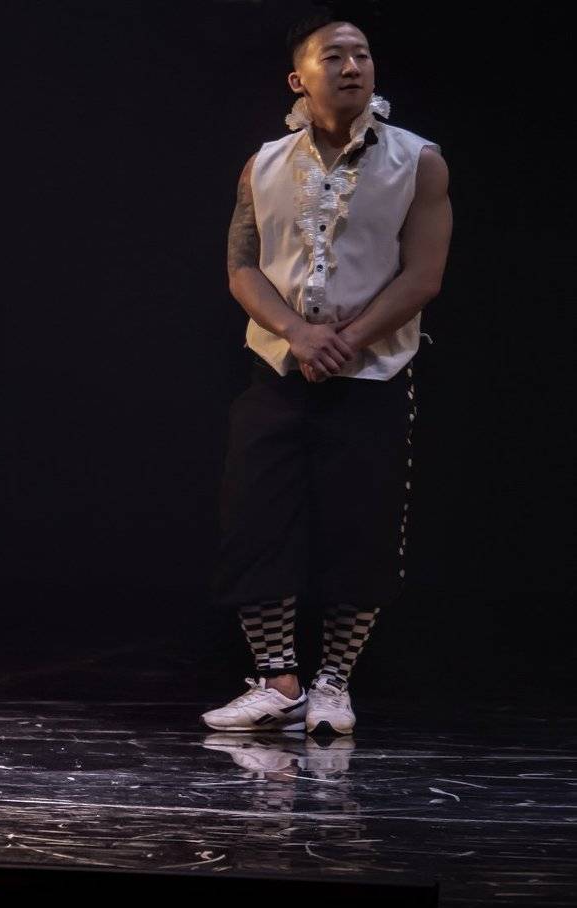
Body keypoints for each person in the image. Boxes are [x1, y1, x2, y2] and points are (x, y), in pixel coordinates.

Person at [204, 13, 451, 735]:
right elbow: (242, 267)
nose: (352, 66)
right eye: (334, 56)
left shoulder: (418, 161)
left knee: (361, 530)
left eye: (362, 55)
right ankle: (278, 680)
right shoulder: (263, 164)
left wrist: (342, 341)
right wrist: (299, 334)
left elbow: (423, 274)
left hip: (373, 373)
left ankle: (334, 685)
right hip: (277, 367)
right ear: (299, 78)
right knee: (256, 522)